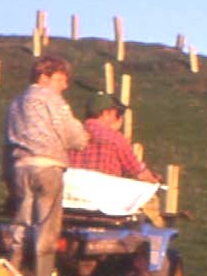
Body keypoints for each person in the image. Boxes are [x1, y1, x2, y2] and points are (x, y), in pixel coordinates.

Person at [2, 54, 88, 276]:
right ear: (44, 77)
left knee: (21, 226)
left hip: (20, 167)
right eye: (60, 79)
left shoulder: (15, 104)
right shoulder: (53, 100)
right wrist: (83, 137)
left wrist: (7, 176)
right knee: (46, 229)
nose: (65, 86)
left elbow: (7, 144)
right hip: (48, 166)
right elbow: (73, 135)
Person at [69, 91, 166, 225]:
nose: (119, 118)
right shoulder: (114, 138)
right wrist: (155, 181)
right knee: (151, 209)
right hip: (104, 205)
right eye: (117, 114)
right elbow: (137, 171)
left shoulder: (70, 135)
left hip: (72, 201)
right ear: (106, 113)